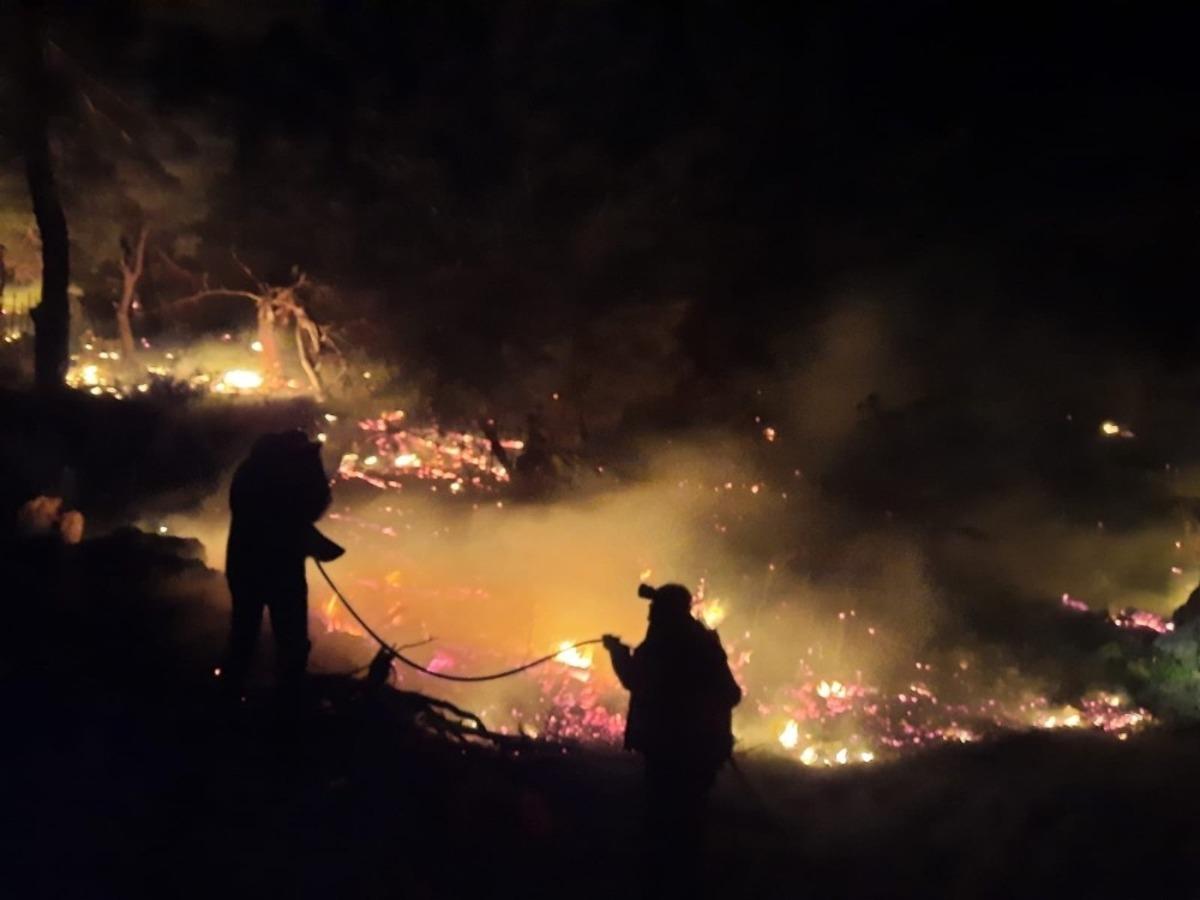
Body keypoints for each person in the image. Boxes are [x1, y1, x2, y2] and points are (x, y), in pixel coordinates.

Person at [602, 582, 742, 892]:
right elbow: (731, 693)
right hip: (700, 748)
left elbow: (635, 679)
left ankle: (666, 881)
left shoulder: (666, 642)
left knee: (665, 816)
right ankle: (685, 877)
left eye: (654, 608)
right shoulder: (702, 641)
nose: (650, 615)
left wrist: (616, 653)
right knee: (690, 816)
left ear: (665, 612)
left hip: (672, 746)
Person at [222, 430, 343, 704]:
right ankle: (286, 705)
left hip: (245, 567)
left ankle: (232, 698)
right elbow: (312, 506)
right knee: (289, 641)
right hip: (278, 571)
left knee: (244, 636)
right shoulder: (273, 477)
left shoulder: (250, 471)